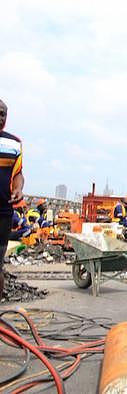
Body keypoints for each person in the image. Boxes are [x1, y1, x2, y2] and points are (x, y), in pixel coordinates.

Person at [0, 99, 25, 298]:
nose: (0, 118)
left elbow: (18, 173)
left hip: (3, 212)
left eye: (3, 114)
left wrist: (18, 188)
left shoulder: (14, 143)